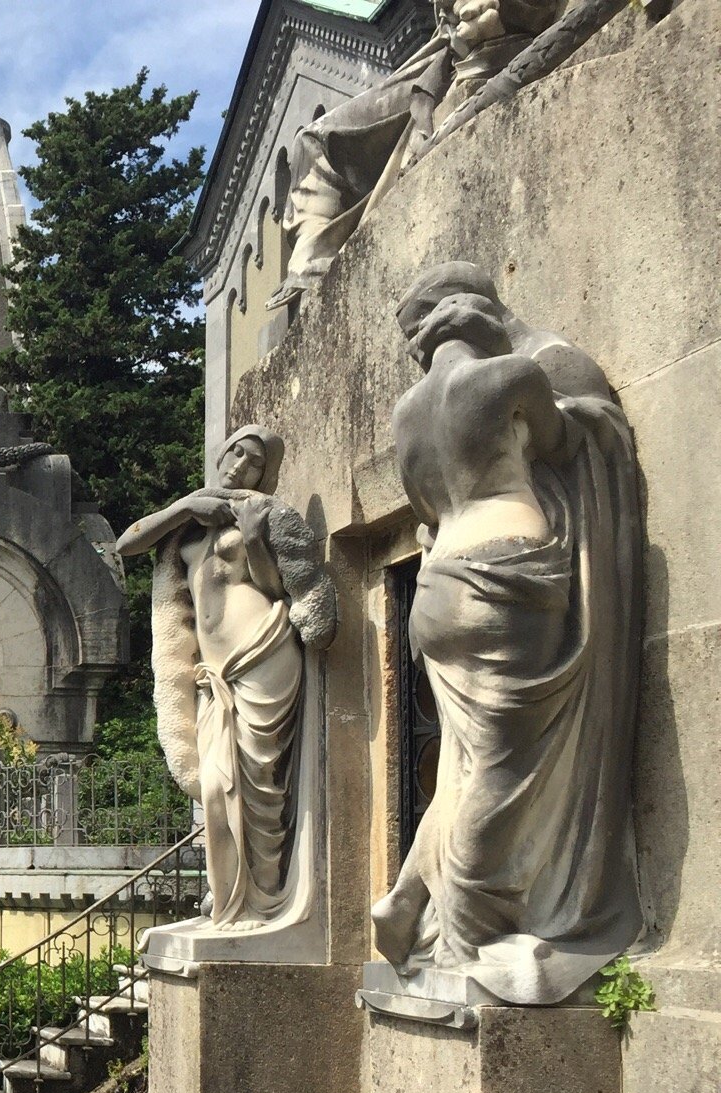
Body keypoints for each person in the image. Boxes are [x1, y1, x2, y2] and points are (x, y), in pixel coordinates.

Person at [373, 266, 643, 1003]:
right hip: (508, 575)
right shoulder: (513, 375)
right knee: (504, 767)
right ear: (484, 315)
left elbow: (424, 505)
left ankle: (406, 894)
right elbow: (570, 437)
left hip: (438, 588)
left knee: (465, 758)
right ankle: (469, 923)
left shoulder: (405, 413)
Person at [118, 428, 336, 926]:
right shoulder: (188, 524)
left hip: (263, 650)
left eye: (254, 461)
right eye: (236, 451)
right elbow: (127, 543)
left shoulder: (265, 513)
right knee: (217, 786)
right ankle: (232, 897)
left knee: (259, 784)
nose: (241, 464)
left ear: (266, 473)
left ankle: (261, 898)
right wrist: (187, 506)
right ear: (221, 454)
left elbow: (276, 587)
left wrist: (255, 537)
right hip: (214, 670)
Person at [272, 0, 560, 311]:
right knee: (312, 141)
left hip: (473, 43)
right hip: (448, 47)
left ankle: (320, 271)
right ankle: (314, 269)